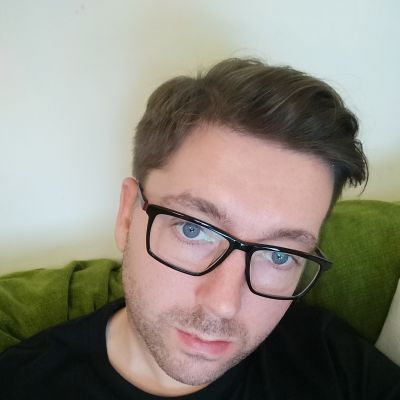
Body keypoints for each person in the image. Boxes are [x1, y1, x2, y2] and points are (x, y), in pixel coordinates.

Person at [1, 58, 399, 399]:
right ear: (127, 215)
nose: (223, 304)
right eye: (194, 230)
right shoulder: (21, 384)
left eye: (279, 255)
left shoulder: (336, 365)